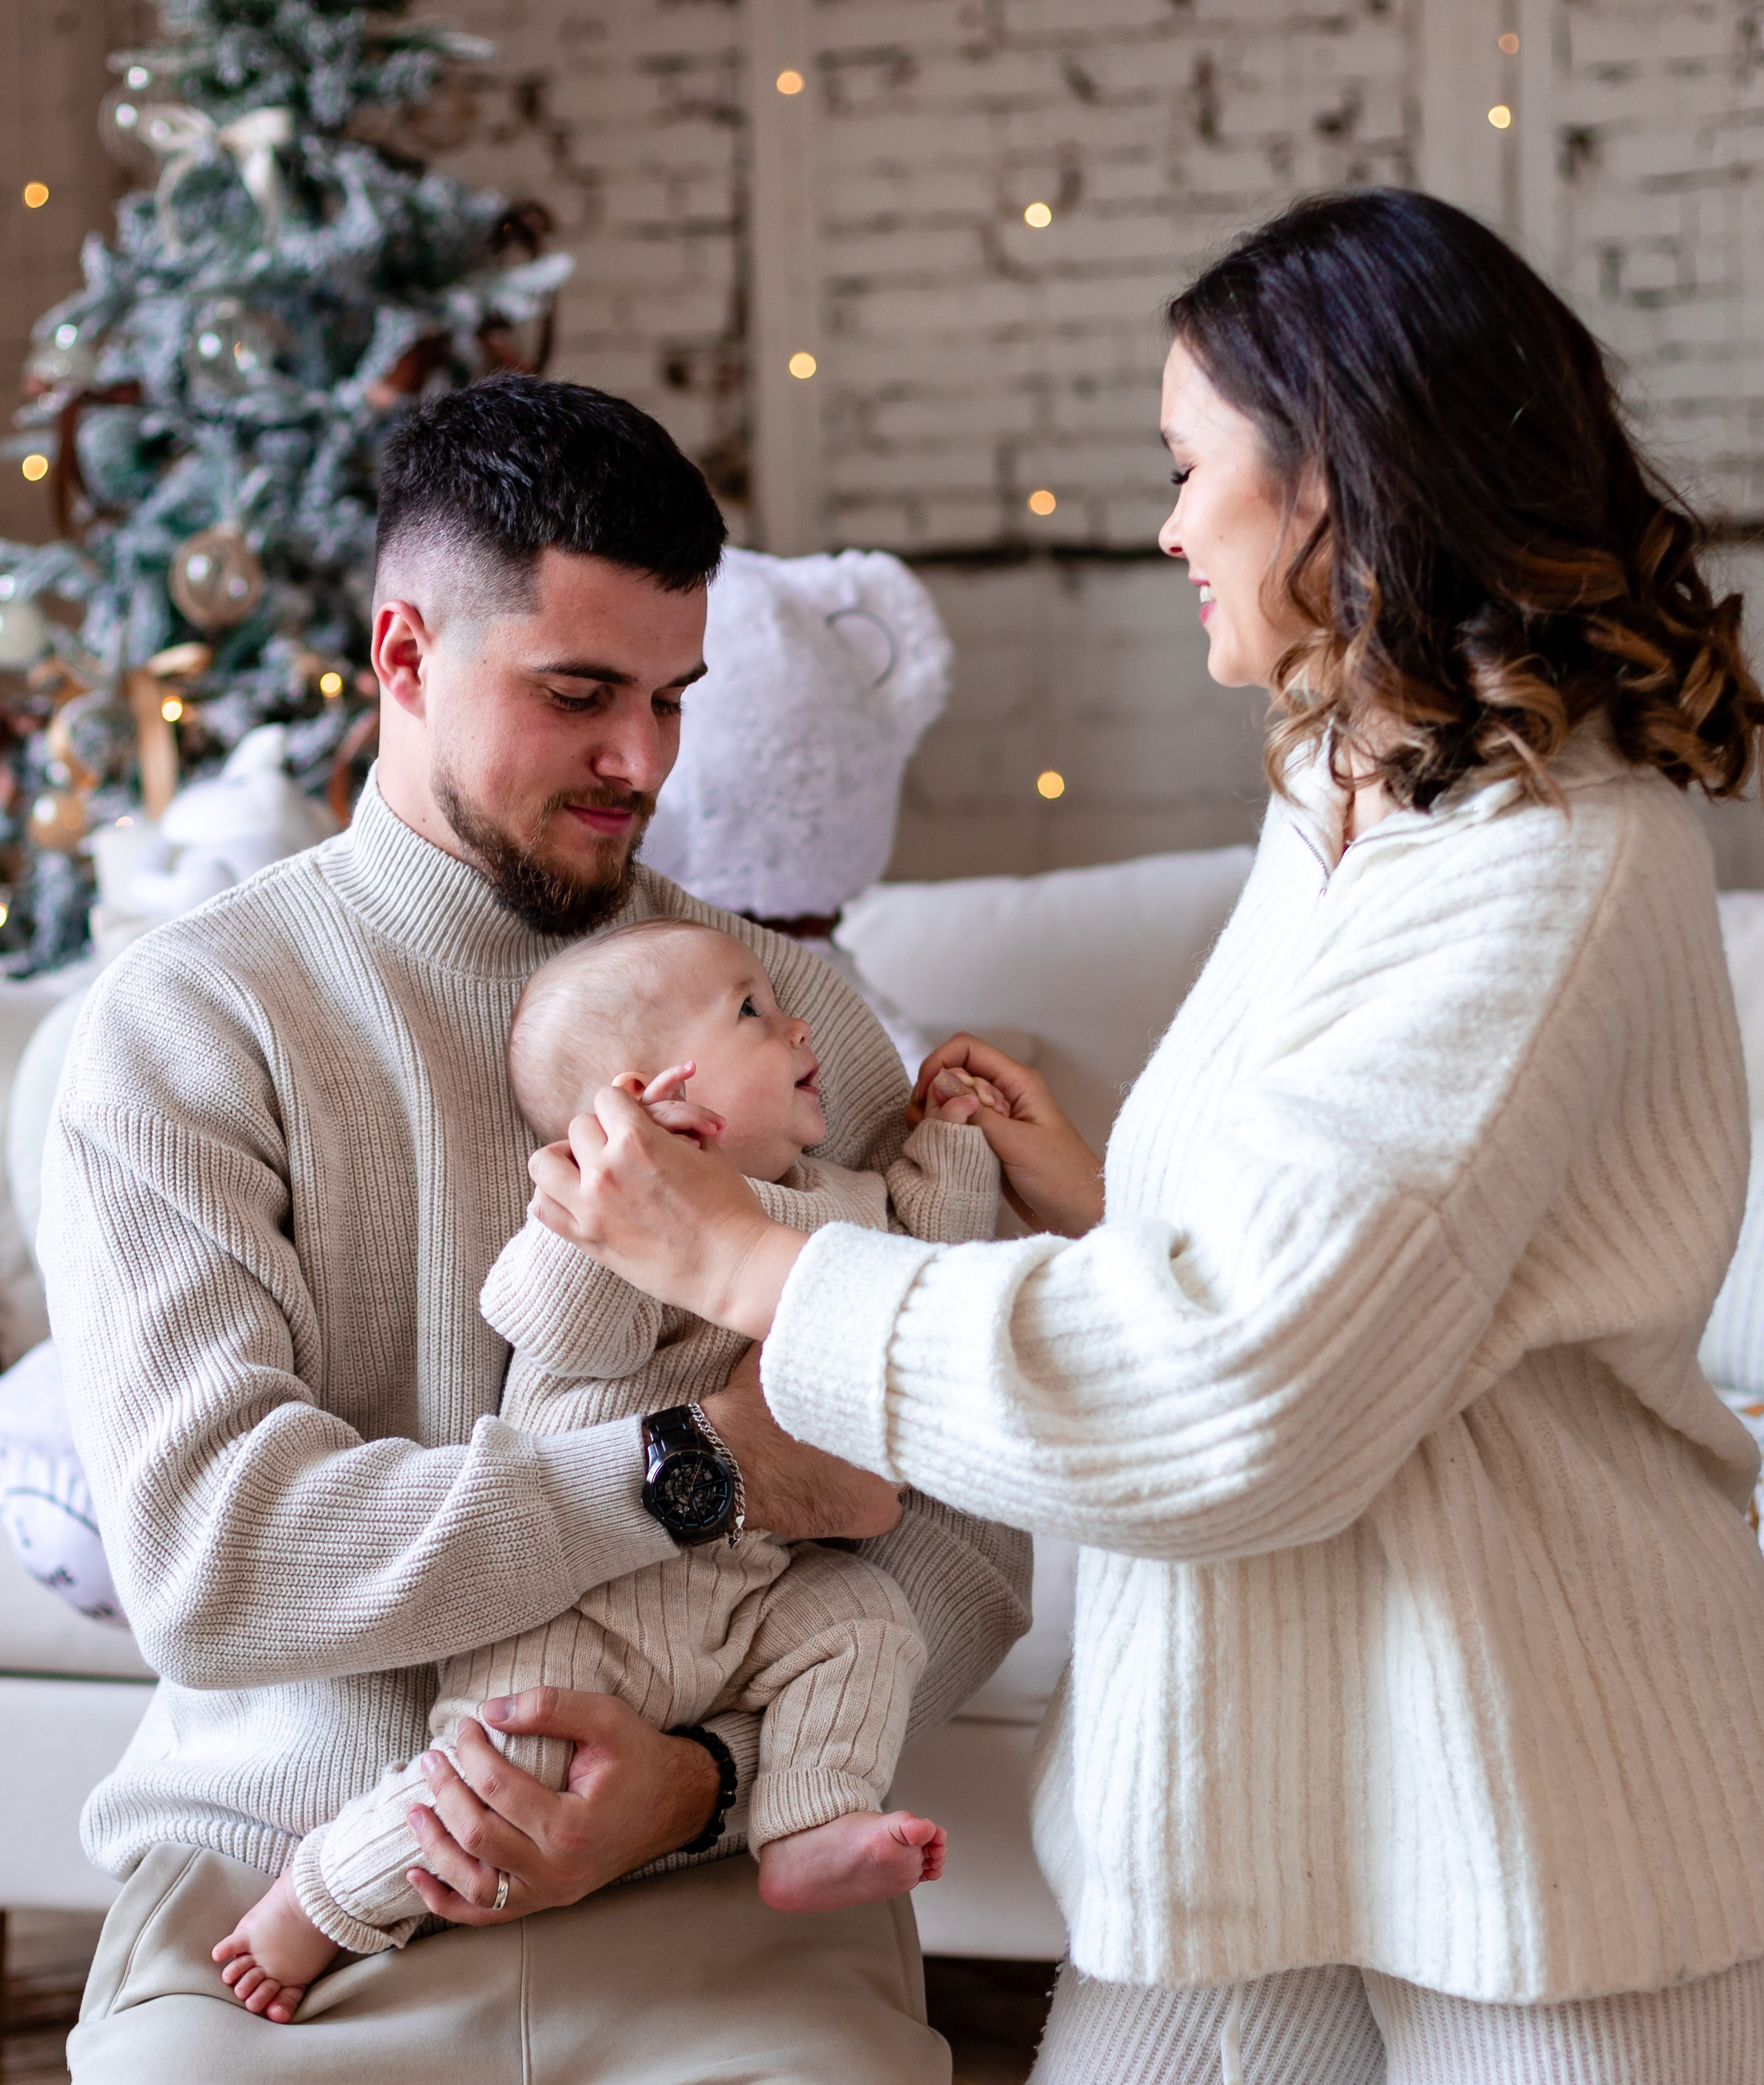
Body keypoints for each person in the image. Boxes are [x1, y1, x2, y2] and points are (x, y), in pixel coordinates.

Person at [520, 190, 1764, 2083]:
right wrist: (1111, 1209)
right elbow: (1374, 1266)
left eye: (1194, 469)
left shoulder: (1548, 868)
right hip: (1239, 1799)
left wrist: (746, 1262)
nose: (1171, 523)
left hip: (1530, 1831)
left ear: (1338, 478)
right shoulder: (1349, 789)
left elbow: (1251, 1393)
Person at [43, 374, 1030, 2084]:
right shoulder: (189, 1018)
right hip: (284, 1892)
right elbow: (213, 1556)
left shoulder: (794, 1010)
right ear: (405, 655)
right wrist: (694, 1468)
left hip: (725, 1901)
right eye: (580, 695)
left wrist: (704, 1785)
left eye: (669, 697)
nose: (642, 762)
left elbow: (965, 1528)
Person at [211, 917, 1005, 2020]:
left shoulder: (841, 1199)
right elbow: (548, 1328)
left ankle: (811, 1818)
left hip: (753, 1596)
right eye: (751, 1012)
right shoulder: (608, 1205)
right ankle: (320, 1900)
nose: (795, 1022)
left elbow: (927, 1281)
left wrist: (955, 1150)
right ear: (653, 1092)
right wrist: (618, 1191)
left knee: (869, 1620)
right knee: (487, 1788)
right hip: (577, 1613)